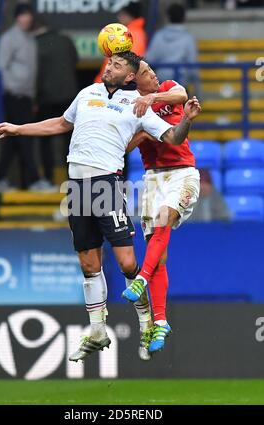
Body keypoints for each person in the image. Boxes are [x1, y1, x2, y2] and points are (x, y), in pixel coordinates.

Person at [0, 51, 201, 362]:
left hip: (107, 184)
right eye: (110, 62)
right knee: (88, 264)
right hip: (76, 186)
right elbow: (60, 123)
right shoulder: (87, 93)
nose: (109, 66)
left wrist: (186, 120)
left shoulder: (137, 104)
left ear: (129, 76)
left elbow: (171, 136)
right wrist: (19, 128)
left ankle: (146, 324)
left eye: (116, 65)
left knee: (127, 262)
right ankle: (98, 331)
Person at [122, 60, 200, 354]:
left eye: (151, 69)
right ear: (134, 82)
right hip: (152, 178)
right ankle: (161, 320)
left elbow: (181, 95)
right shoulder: (130, 108)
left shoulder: (166, 89)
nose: (153, 74)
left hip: (183, 172)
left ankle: (141, 279)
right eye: (145, 73)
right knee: (159, 253)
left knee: (165, 217)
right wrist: (140, 133)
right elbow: (124, 145)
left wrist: (152, 99)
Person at [0, 3, 46, 192]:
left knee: (15, 141)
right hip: (13, 96)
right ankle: (34, 180)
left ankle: (0, 179)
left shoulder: (30, 39)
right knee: (24, 138)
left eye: (28, 15)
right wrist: (13, 88)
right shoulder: (9, 38)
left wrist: (31, 97)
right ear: (17, 18)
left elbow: (31, 72)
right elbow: (0, 68)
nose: (27, 19)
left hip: (25, 97)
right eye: (23, 15)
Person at [35, 21, 79, 185]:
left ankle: (48, 178)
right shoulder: (66, 40)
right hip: (69, 97)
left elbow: (35, 73)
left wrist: (35, 98)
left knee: (45, 139)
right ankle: (72, 178)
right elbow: (76, 60)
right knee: (71, 141)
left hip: (46, 97)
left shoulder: (37, 44)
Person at [145, 3, 201, 98]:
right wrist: (198, 91)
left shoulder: (159, 36)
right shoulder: (188, 38)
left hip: (161, 85)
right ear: (184, 18)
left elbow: (149, 58)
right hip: (181, 86)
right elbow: (192, 66)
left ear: (168, 17)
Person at [94, 2, 147, 84]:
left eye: (122, 14)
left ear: (130, 16)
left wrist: (103, 83)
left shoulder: (130, 33)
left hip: (116, 83)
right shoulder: (134, 31)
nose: (119, 17)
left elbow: (126, 62)